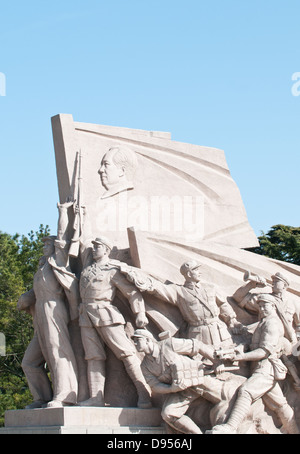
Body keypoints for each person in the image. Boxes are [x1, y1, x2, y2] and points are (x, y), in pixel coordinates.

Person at [78, 235, 152, 408]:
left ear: (106, 249)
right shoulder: (87, 270)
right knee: (93, 357)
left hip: (106, 314)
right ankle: (97, 397)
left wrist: (140, 312)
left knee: (127, 353)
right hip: (86, 316)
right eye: (94, 246)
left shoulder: (112, 269)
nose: (94, 249)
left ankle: (144, 393)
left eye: (97, 247)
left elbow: (131, 292)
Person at [18, 202, 80, 408]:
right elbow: (36, 292)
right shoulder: (42, 267)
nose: (44, 247)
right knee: (29, 362)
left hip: (55, 309)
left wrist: (63, 211)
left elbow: (62, 236)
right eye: (44, 244)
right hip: (41, 314)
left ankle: (65, 395)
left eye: (47, 244)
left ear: (54, 248)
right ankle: (41, 397)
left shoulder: (57, 261)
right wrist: (27, 298)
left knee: (57, 350)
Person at [210, 294, 300, 434]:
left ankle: (230, 427)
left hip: (266, 368)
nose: (262, 309)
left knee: (246, 391)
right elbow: (253, 344)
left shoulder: (272, 324)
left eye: (266, 306)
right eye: (261, 306)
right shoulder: (264, 322)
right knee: (280, 405)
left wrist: (241, 357)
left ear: (273, 306)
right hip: (260, 367)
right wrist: (238, 349)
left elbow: (264, 351)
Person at [132, 329, 248, 434]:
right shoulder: (145, 366)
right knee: (168, 414)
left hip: (200, 379)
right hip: (182, 391)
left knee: (228, 397)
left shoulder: (169, 344)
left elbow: (196, 345)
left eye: (137, 340)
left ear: (147, 340)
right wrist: (171, 389)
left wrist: (216, 362)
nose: (135, 343)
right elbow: (154, 386)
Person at [122, 260, 243, 348]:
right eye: (196, 270)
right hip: (198, 332)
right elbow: (157, 288)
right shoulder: (179, 291)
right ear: (189, 274)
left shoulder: (210, 287)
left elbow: (223, 304)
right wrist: (136, 277)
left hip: (219, 329)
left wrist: (232, 321)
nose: (200, 273)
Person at [232, 271, 300, 344]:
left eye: (276, 281)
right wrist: (252, 284)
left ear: (284, 285)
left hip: (287, 342)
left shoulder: (293, 303)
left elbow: (298, 326)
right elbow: (238, 297)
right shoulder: (264, 299)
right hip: (266, 339)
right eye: (273, 281)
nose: (273, 283)